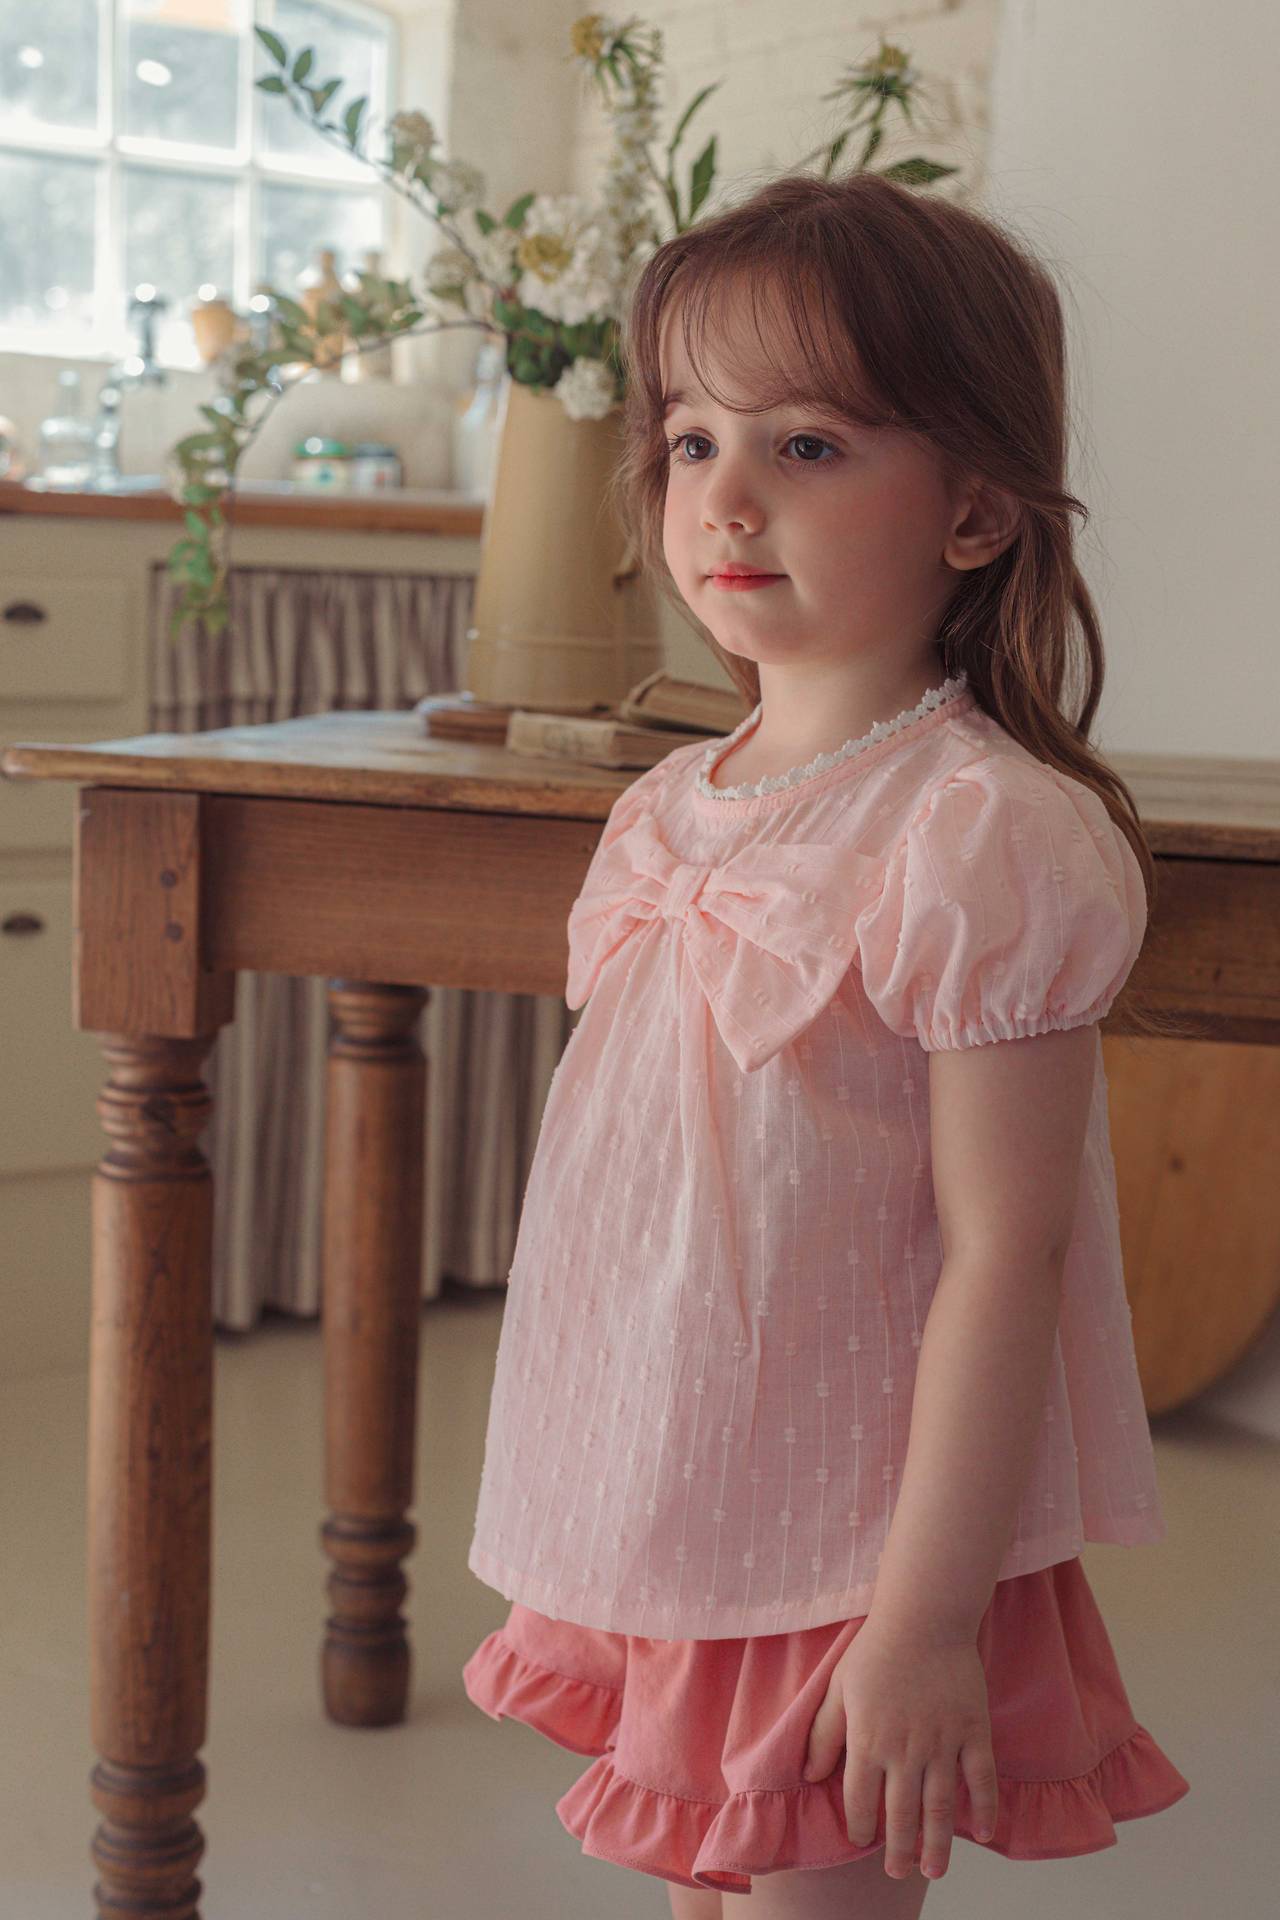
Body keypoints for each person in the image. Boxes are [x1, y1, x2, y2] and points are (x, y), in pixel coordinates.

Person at [462, 170, 1191, 1919]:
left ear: (976, 512)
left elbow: (1011, 1252)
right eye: (691, 439)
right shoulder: (665, 805)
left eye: (805, 446)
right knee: (701, 1888)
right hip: (683, 1500)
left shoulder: (976, 832)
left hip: (856, 1540)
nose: (724, 495)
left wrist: (925, 1622)